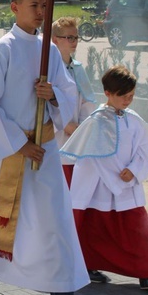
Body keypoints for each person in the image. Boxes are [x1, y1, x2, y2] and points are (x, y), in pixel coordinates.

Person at [0, 0, 88, 295]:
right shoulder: (3, 49)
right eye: (33, 5)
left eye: (44, 5)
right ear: (15, 8)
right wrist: (20, 144)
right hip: (12, 154)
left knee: (56, 226)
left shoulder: (49, 49)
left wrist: (52, 96)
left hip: (45, 152)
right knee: (2, 224)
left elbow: (68, 92)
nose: (40, 11)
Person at [61, 65, 148, 290]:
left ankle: (146, 272)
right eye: (123, 96)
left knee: (137, 229)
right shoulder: (96, 120)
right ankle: (89, 265)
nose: (128, 101)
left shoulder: (134, 119)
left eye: (131, 96)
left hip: (127, 185)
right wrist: (118, 177)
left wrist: (134, 170)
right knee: (95, 228)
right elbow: (98, 156)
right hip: (99, 187)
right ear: (108, 93)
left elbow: (144, 147)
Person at [52, 17, 97, 187]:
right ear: (55, 39)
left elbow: (87, 100)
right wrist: (65, 124)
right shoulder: (49, 68)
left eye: (76, 37)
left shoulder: (77, 67)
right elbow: (47, 101)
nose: (74, 42)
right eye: (69, 37)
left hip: (77, 133)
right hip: (57, 135)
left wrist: (83, 125)